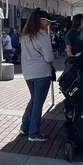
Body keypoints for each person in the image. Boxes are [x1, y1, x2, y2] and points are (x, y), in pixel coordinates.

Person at [19, 9, 55, 142]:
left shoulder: (25, 35)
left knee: (34, 100)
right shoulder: (43, 36)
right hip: (41, 72)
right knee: (37, 103)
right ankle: (33, 133)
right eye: (47, 21)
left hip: (28, 72)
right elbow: (49, 57)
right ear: (41, 21)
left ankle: (25, 126)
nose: (48, 24)